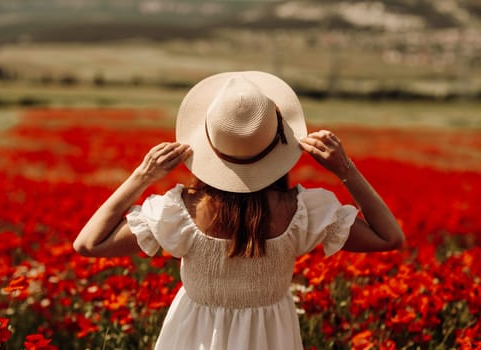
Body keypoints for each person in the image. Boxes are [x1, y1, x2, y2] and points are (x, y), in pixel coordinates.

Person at [74, 71, 405, 349]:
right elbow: (389, 237)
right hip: (272, 338)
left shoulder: (181, 212)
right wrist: (346, 168)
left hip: (192, 338)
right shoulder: (302, 212)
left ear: (210, 146)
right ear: (279, 143)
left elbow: (87, 244)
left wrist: (142, 175)